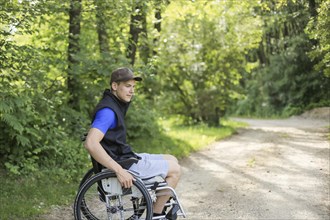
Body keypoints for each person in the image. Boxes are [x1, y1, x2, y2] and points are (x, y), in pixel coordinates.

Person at [84, 67, 181, 218]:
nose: (132, 91)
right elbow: (91, 143)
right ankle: (156, 213)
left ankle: (156, 206)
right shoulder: (108, 111)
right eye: (128, 86)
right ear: (114, 86)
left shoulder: (114, 104)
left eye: (133, 87)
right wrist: (119, 170)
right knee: (174, 170)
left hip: (124, 157)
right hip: (122, 164)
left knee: (172, 159)